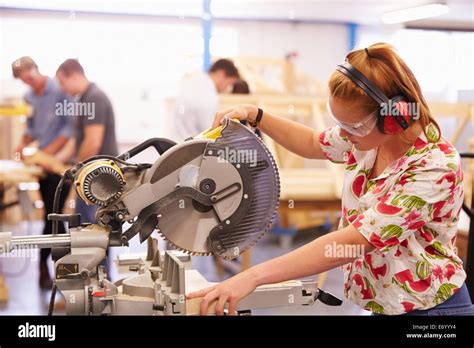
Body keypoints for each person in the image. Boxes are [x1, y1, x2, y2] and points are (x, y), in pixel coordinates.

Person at [187, 43, 474, 316]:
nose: (343, 134)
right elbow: (313, 141)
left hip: (435, 312)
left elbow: (355, 241)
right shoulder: (369, 139)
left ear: (394, 117)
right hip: (387, 304)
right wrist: (256, 115)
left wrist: (254, 275)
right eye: (340, 124)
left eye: (353, 126)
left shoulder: (434, 168)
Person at [12, 56, 73, 289]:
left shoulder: (60, 90)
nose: (29, 83)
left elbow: (68, 129)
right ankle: (53, 271)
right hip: (43, 166)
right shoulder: (29, 97)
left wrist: (47, 154)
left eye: (30, 77)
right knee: (52, 216)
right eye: (24, 81)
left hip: (60, 164)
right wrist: (22, 143)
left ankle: (53, 269)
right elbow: (31, 129)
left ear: (36, 70)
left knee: (55, 218)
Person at [55, 59, 118, 224]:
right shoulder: (84, 99)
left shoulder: (94, 98)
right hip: (91, 177)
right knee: (87, 231)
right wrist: (56, 161)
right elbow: (77, 141)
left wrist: (76, 173)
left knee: (93, 234)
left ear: (74, 76)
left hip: (98, 180)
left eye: (62, 83)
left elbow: (92, 142)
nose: (62, 89)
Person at [172, 59, 240, 141]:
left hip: (178, 140)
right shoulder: (208, 94)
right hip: (190, 146)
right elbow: (211, 129)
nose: (226, 89)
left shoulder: (194, 81)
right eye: (229, 83)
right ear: (221, 74)